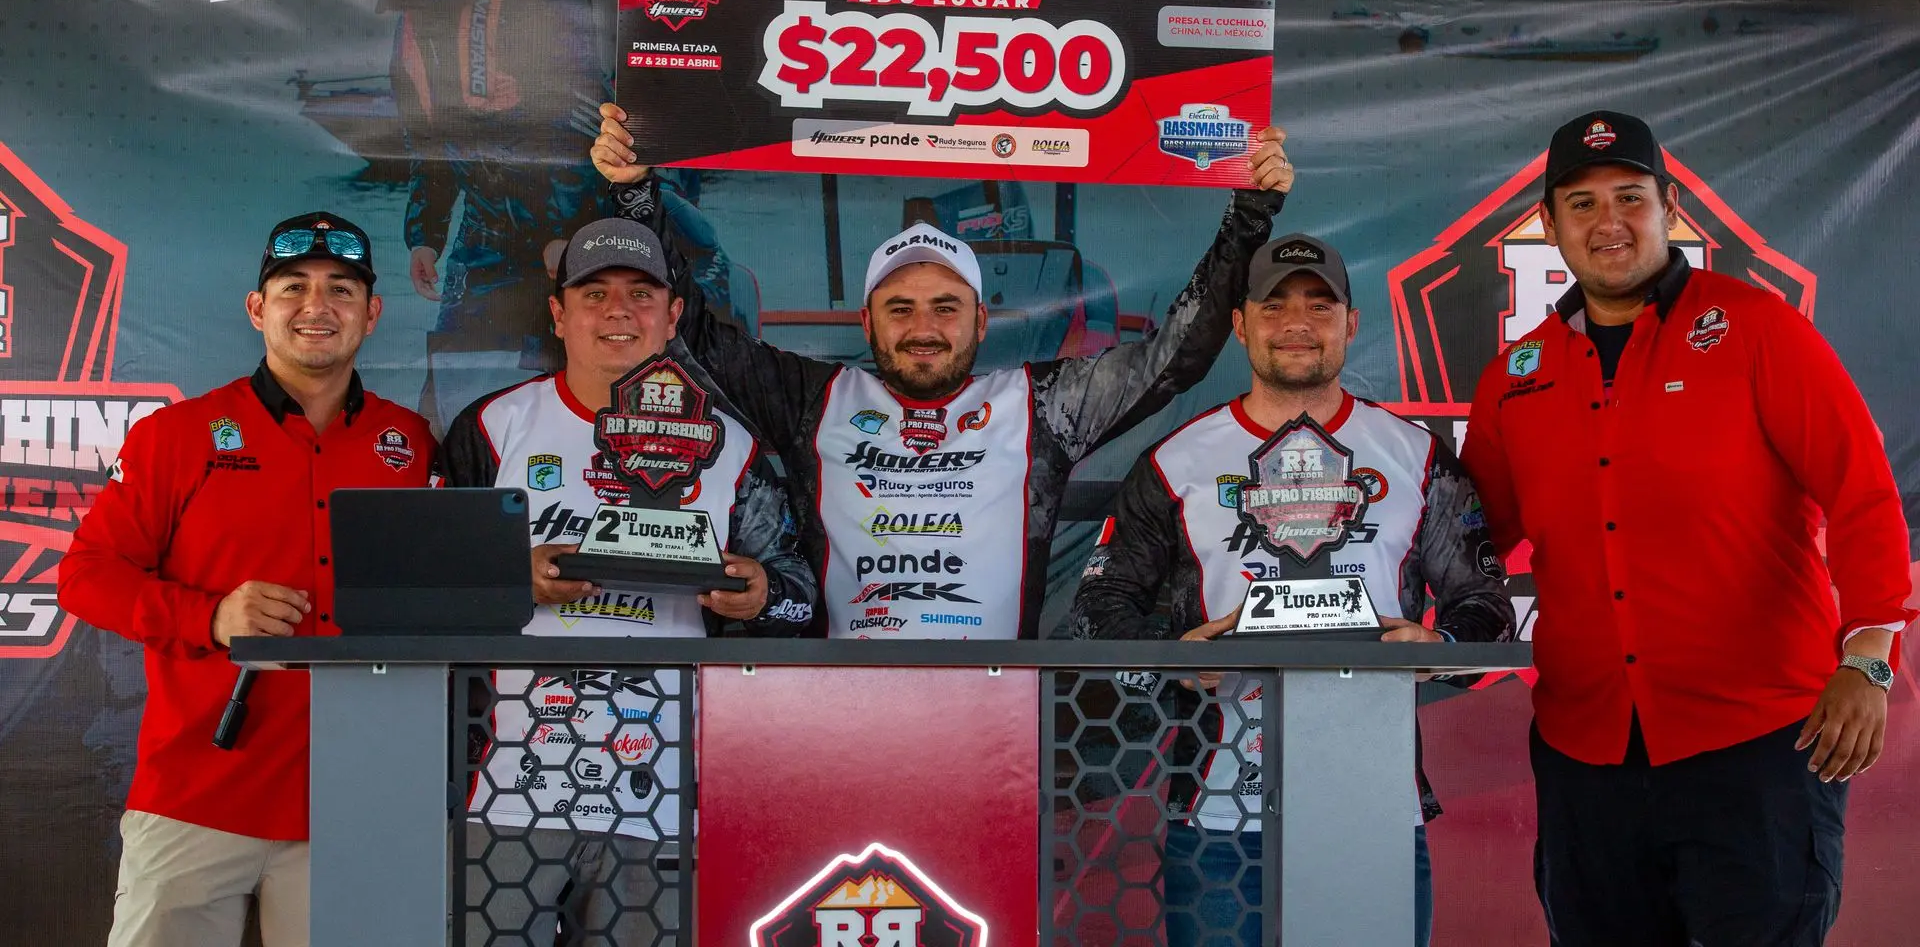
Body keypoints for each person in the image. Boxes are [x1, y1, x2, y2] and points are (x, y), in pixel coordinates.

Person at [1461, 110, 1913, 947]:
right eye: (1582, 203)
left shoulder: (1758, 328)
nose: (1609, 222)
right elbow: (1465, 541)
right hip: (1585, 752)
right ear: (1548, 225)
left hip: (1759, 743)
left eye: (1630, 197)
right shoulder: (1515, 378)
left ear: (1670, 208)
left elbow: (1864, 493)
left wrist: (1869, 658)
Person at [591, 102, 1294, 639]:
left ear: (981, 321)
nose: (923, 328)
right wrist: (636, 197)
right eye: (899, 309)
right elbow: (695, 337)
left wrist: (1251, 212)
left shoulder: (1040, 405)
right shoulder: (815, 398)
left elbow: (1174, 358)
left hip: (996, 711)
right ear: (867, 323)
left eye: (945, 308)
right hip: (835, 706)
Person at [1070, 233, 1514, 947]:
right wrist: (1170, 656)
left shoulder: (1418, 456)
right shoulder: (1177, 461)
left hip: (1372, 814)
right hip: (1218, 816)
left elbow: (1487, 607)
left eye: (1319, 305)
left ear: (1352, 323)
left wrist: (1440, 646)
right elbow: (1096, 608)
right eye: (1273, 306)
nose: (1297, 323)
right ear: (1240, 324)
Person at [432, 216, 817, 946]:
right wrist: (513, 576)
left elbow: (800, 597)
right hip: (509, 790)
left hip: (659, 795)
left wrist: (761, 595)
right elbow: (423, 587)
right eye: (594, 293)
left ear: (674, 315)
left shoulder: (731, 446)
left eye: (642, 294)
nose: (619, 312)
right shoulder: (491, 428)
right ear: (558, 314)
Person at [57, 213, 431, 947]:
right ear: (258, 308)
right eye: (293, 287)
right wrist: (210, 618)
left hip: (353, 804)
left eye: (342, 289)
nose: (317, 306)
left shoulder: (410, 443)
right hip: (195, 794)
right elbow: (84, 577)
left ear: (372, 314)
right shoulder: (177, 435)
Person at [384, 0, 605, 430]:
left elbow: (583, 117)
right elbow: (426, 144)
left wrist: (565, 232)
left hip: (565, 237)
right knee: (451, 394)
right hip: (481, 236)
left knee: (568, 389)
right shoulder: (410, 24)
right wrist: (425, 237)